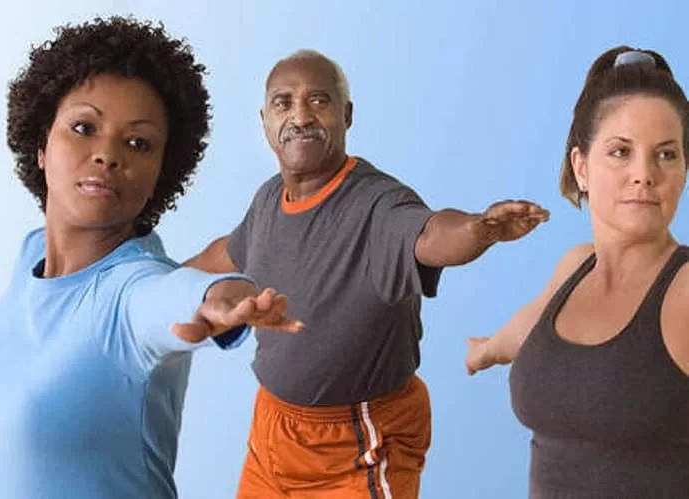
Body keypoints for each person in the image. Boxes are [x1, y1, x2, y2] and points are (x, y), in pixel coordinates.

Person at [0, 17, 302, 499]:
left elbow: (175, 296)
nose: (107, 155)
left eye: (138, 143)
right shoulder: (31, 256)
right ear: (40, 145)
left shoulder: (135, 293)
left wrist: (221, 298)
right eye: (83, 127)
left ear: (160, 172)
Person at [185, 49, 548, 498]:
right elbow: (229, 251)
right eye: (283, 103)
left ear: (347, 115)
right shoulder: (268, 201)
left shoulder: (379, 204)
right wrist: (161, 275)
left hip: (358, 442)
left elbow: (431, 233)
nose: (300, 115)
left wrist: (480, 228)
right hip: (273, 431)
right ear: (264, 121)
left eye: (318, 100)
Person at [466, 46, 689, 498]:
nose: (644, 174)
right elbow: (527, 330)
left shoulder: (683, 294)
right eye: (620, 152)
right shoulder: (574, 268)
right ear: (581, 167)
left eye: (666, 155)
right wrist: (485, 350)